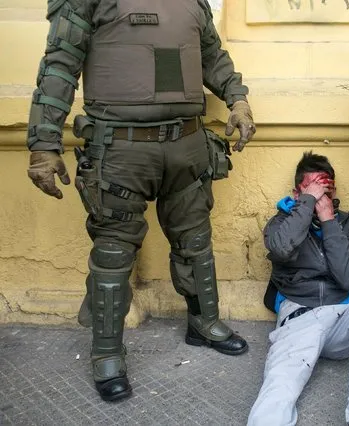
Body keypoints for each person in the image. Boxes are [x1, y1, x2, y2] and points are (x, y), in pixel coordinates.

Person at [25, 0, 256, 402]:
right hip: (119, 150)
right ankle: (107, 353)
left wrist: (238, 99)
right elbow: (60, 65)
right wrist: (44, 144)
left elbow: (211, 55)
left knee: (195, 240)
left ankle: (204, 321)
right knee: (113, 253)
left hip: (187, 144)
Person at [248, 152, 349, 426]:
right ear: (297, 192)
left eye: (325, 191)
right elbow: (282, 247)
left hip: (342, 318)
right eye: (312, 191)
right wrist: (305, 205)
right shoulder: (280, 223)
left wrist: (329, 222)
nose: (320, 199)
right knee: (277, 392)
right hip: (300, 319)